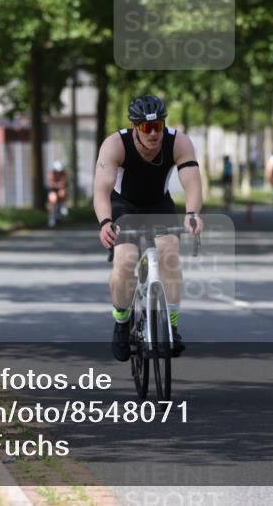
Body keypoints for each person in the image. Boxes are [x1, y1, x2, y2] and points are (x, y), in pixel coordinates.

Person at [93, 95, 204, 361]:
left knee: (170, 251)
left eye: (159, 126)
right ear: (135, 128)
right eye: (146, 127)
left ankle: (172, 326)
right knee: (125, 260)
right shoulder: (114, 145)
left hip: (158, 204)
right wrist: (105, 221)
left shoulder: (178, 141)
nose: (154, 133)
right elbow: (101, 189)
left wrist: (192, 214)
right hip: (124, 206)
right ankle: (121, 323)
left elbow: (191, 182)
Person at [47, 161, 68, 227]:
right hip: (53, 190)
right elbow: (51, 184)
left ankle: (62, 206)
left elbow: (64, 183)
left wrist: (59, 185)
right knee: (52, 198)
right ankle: (52, 217)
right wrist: (58, 185)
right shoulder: (51, 174)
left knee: (62, 192)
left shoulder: (63, 173)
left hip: (60, 189)